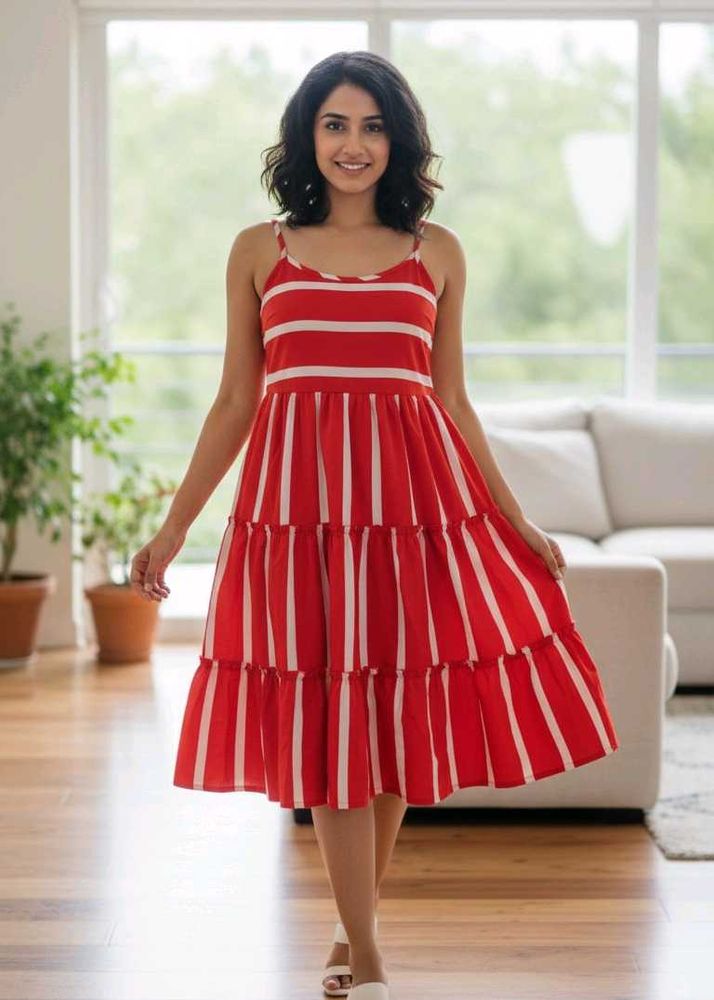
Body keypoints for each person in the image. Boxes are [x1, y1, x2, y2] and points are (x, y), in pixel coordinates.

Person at [130, 50, 620, 1000]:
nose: (354, 146)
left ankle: (356, 930)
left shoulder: (436, 251)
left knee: (389, 720)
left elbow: (454, 403)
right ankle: (371, 950)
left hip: (415, 518)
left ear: (399, 141)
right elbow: (235, 402)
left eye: (373, 127)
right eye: (335, 125)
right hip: (297, 522)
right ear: (306, 137)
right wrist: (170, 529)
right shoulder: (258, 251)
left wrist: (516, 523)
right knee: (327, 719)